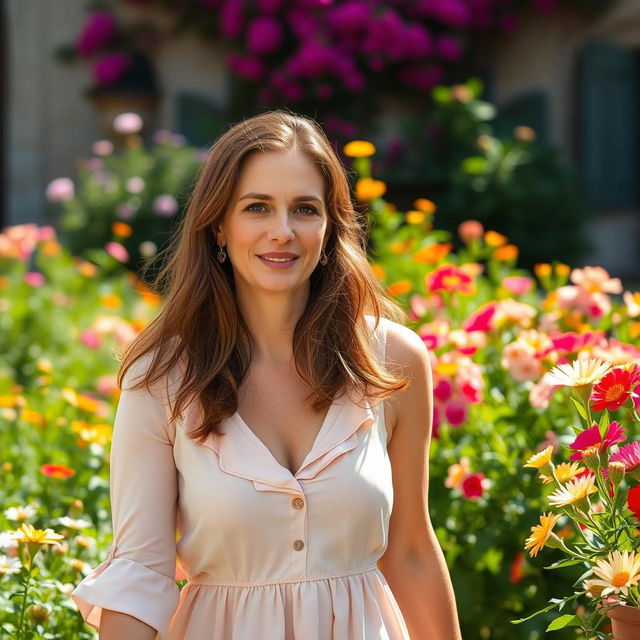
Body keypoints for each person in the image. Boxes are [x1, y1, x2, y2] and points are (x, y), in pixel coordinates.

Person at [71, 109, 462, 639]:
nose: (283, 232)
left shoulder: (392, 361)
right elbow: (140, 572)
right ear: (218, 227)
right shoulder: (160, 378)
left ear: (329, 227)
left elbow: (412, 549)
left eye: (304, 209)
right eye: (257, 208)